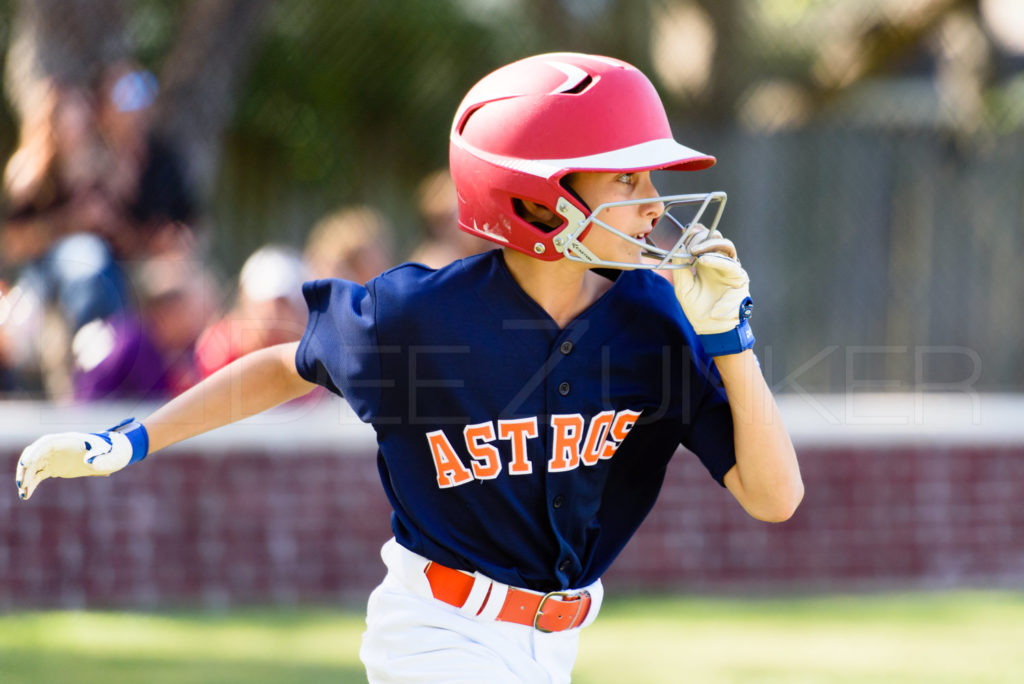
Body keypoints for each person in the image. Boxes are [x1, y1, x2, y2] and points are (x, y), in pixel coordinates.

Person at [15, 53, 803, 683]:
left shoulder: (654, 323)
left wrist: (730, 340)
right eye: (627, 177)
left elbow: (774, 496)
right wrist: (132, 441)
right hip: (437, 637)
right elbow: (281, 368)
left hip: (553, 647)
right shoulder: (418, 318)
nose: (656, 203)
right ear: (535, 200)